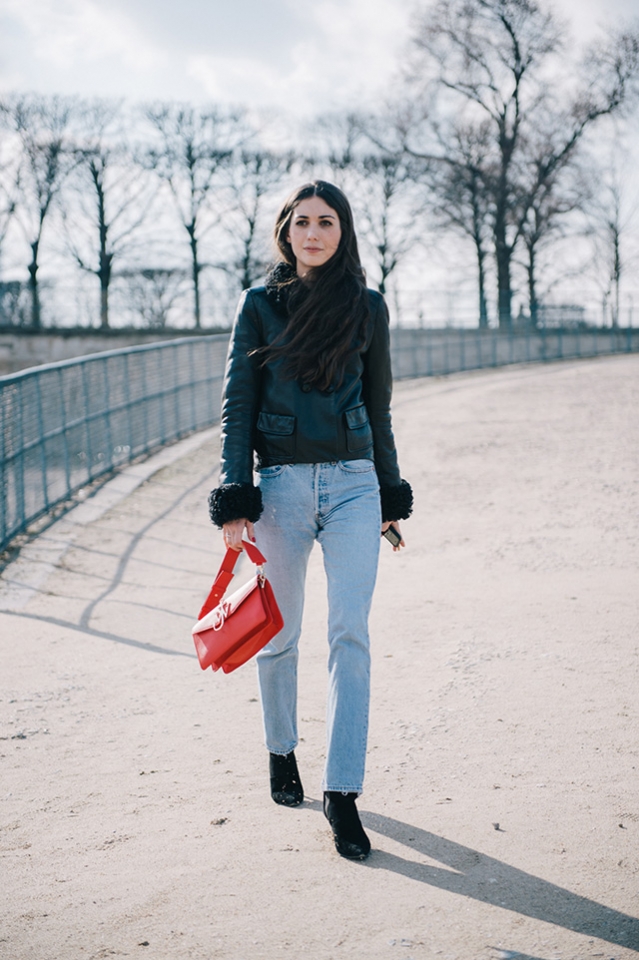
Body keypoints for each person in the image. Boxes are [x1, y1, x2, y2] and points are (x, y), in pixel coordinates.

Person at [208, 180, 412, 860]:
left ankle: (342, 791)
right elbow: (238, 406)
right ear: (285, 231)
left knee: (350, 633)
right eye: (302, 222)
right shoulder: (259, 305)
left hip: (354, 485)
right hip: (281, 489)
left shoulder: (367, 306)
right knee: (279, 633)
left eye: (327, 222)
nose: (314, 233)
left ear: (342, 231)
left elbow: (379, 406)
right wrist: (236, 496)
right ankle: (280, 749)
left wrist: (388, 496)